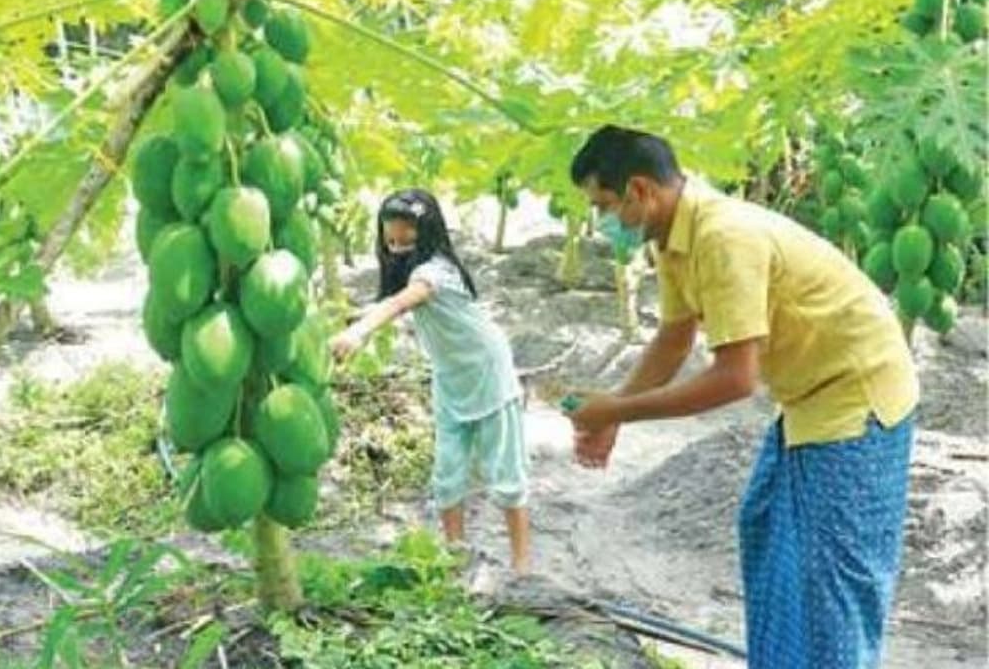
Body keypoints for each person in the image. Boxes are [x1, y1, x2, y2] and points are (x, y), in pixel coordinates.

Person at [563, 125, 919, 668]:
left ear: (640, 190)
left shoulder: (723, 237)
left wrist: (616, 409)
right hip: (808, 399)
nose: (606, 220)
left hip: (858, 398)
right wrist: (615, 412)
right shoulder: (675, 240)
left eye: (606, 205)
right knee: (768, 534)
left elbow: (734, 379)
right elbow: (674, 337)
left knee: (833, 581)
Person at [330, 188, 531, 574]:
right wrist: (351, 318)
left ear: (428, 232)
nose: (398, 245)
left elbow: (400, 303)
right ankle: (455, 557)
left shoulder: (435, 271)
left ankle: (523, 566)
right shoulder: (415, 274)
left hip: (488, 373)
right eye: (391, 239)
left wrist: (360, 333)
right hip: (451, 379)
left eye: (407, 236)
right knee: (447, 473)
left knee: (505, 473)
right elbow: (390, 301)